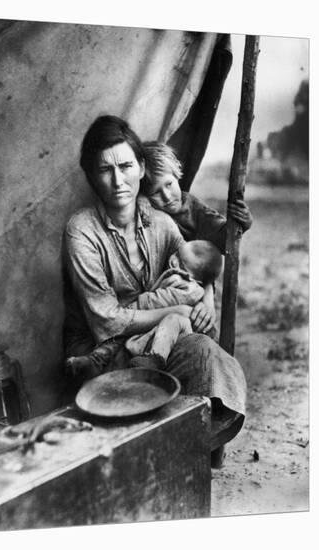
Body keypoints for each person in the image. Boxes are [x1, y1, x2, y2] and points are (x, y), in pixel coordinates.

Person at [63, 115, 246, 467]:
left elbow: (194, 266)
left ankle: (184, 451)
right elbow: (105, 320)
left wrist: (204, 295)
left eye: (126, 166)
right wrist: (174, 312)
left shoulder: (162, 223)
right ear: (90, 175)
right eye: (105, 170)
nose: (118, 180)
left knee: (205, 351)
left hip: (154, 343)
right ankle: (158, 453)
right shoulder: (81, 231)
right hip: (102, 351)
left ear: (141, 168)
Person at [140, 140, 253, 335]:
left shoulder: (192, 207)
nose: (167, 196)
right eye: (156, 192)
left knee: (202, 327)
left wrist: (243, 223)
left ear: (177, 176)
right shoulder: (147, 212)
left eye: (169, 184)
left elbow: (223, 239)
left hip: (191, 285)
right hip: (157, 288)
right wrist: (141, 201)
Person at [66, 240, 223, 376]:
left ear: (196, 280)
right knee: (119, 338)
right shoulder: (184, 276)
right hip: (155, 324)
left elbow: (157, 301)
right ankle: (96, 361)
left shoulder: (187, 289)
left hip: (165, 330)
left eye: (181, 263)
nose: (173, 261)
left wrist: (132, 309)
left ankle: (143, 361)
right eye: (177, 253)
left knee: (121, 335)